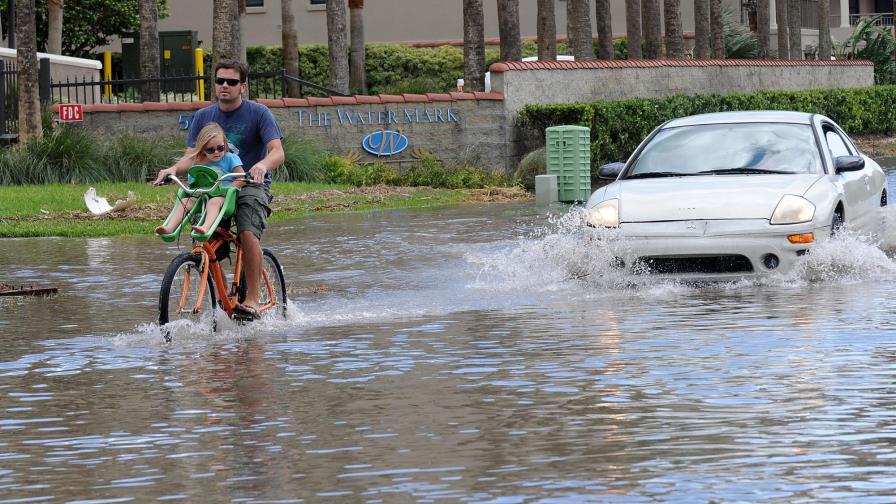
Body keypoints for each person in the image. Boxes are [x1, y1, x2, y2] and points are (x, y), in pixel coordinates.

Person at [154, 59, 284, 319]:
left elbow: (277, 152)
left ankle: (252, 299)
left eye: (232, 82)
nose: (225, 85)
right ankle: (224, 299)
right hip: (212, 186)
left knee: (248, 233)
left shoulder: (259, 113)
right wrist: (172, 170)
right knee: (202, 238)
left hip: (247, 183)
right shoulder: (203, 116)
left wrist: (260, 166)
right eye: (220, 81)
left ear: (243, 87)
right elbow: (193, 156)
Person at [155, 122, 245, 236]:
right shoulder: (197, 161)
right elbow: (192, 178)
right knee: (184, 201)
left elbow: (242, 177)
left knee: (214, 202)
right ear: (203, 150)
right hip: (201, 195)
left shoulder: (230, 158)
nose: (216, 152)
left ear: (225, 145)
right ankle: (169, 228)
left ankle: (205, 227)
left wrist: (228, 188)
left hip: (222, 196)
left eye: (220, 148)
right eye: (210, 150)